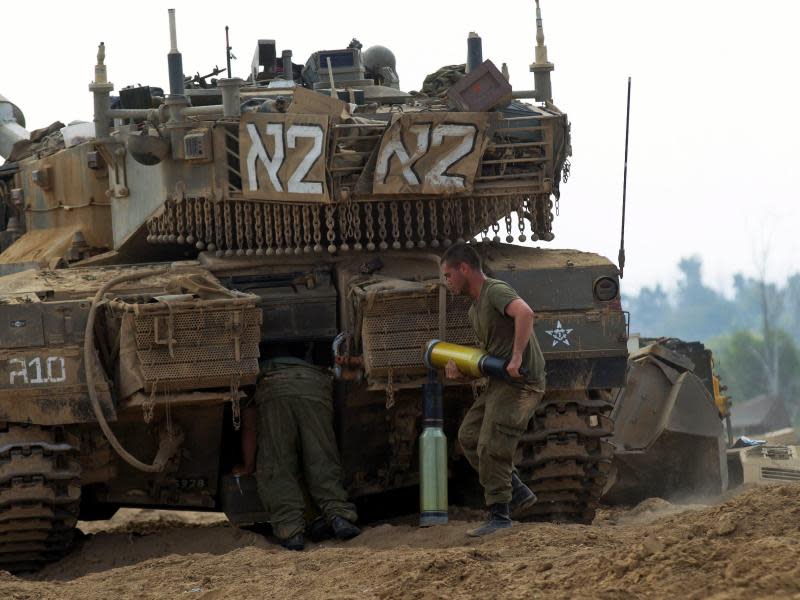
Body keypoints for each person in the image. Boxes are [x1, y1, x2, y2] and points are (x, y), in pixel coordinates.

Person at [440, 242, 546, 537]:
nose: (447, 282)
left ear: (464, 268)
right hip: (501, 383)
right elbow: (490, 355)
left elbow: (525, 313)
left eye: (448, 275)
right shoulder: (476, 310)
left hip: (522, 381)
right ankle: (516, 489)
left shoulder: (494, 290)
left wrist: (516, 357)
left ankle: (501, 515)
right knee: (469, 436)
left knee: (490, 443)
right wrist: (462, 375)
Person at [235, 356, 360, 551]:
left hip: (273, 389)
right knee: (322, 457)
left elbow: (250, 428)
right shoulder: (307, 361)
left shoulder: (251, 375)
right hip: (315, 384)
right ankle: (339, 517)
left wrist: (248, 466)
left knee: (277, 465)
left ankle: (291, 531)